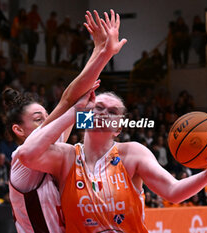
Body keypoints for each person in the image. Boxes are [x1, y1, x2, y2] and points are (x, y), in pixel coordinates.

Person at [19, 88, 207, 231]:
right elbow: (26, 154)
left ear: (118, 128)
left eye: (113, 112)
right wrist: (73, 112)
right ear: (84, 117)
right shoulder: (65, 157)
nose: (104, 113)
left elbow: (173, 191)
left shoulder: (132, 153)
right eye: (98, 108)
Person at [7, 9, 126, 233]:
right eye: (38, 120)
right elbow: (69, 102)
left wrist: (99, 51)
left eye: (46, 116)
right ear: (18, 130)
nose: (47, 122)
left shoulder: (51, 147)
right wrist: (103, 54)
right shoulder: (21, 162)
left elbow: (74, 100)